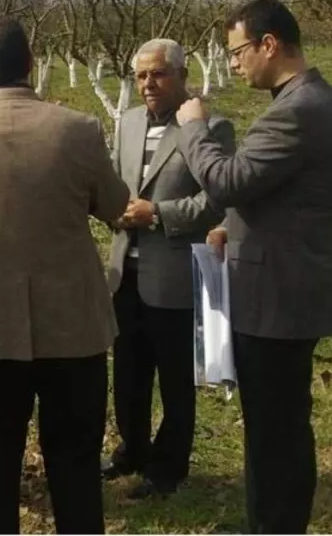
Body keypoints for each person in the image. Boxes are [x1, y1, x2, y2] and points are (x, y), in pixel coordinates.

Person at [0, 17, 130, 534]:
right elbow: (115, 205)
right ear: (31, 64)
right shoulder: (78, 129)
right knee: (76, 463)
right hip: (73, 325)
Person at [175, 0, 332, 534]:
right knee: (279, 429)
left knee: (274, 436)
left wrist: (193, 127)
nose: (233, 64)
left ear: (269, 44)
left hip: (279, 298)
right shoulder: (313, 101)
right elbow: (284, 194)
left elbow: (227, 179)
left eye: (237, 52)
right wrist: (233, 227)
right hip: (288, 285)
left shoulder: (298, 110)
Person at [104, 38, 236, 499]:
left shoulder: (211, 127)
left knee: (175, 377)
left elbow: (216, 199)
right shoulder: (128, 122)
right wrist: (113, 209)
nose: (147, 84)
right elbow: (116, 182)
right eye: (140, 76)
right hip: (125, 268)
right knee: (128, 371)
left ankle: (168, 467)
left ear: (181, 75)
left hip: (174, 269)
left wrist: (158, 215)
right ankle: (132, 449)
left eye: (157, 74)